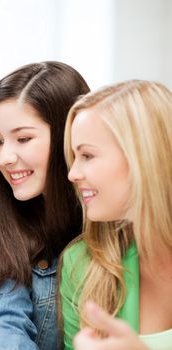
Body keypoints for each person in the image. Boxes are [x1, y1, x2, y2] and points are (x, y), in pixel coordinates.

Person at [0, 62, 90, 349]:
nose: (5, 157)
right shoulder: (6, 228)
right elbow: (4, 328)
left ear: (67, 136)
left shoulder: (114, 225)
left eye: (23, 139)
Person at [60, 80, 172, 350]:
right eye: (74, 156)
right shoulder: (83, 266)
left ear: (142, 156)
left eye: (87, 155)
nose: (72, 174)